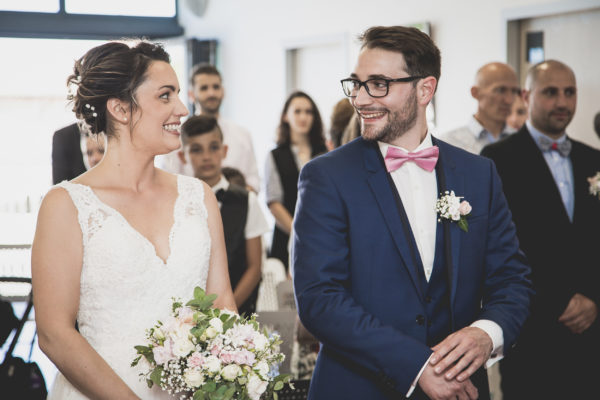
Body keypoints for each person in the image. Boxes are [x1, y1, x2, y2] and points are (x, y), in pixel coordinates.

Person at [292, 26, 532, 400]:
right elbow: (320, 300)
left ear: (425, 89)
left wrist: (487, 333)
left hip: (462, 389)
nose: (361, 98)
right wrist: (417, 365)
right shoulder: (326, 177)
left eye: (379, 84)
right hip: (358, 388)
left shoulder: (478, 173)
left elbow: (512, 280)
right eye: (356, 83)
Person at [31, 41, 236, 400]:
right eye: (165, 96)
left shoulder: (199, 196)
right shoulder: (66, 205)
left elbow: (223, 308)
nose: (182, 109)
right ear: (121, 108)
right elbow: (54, 334)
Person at [481, 60, 600, 400]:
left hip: (591, 333)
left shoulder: (594, 160)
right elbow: (501, 247)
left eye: (569, 92)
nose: (562, 102)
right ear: (527, 95)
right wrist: (555, 301)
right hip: (532, 330)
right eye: (550, 92)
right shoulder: (497, 158)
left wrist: (593, 298)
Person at [179, 115, 269, 316]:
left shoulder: (247, 201)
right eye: (196, 149)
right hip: (189, 314)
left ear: (224, 150)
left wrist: (226, 312)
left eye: (213, 147)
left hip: (237, 311)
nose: (206, 156)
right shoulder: (177, 202)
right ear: (182, 156)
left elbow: (254, 267)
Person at [265, 91, 327, 271]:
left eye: (309, 112)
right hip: (286, 237)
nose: (303, 117)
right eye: (297, 111)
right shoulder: (275, 156)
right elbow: (274, 203)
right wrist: (300, 232)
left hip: (323, 235)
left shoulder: (325, 153)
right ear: (286, 116)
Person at [188, 63, 261, 192]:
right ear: (191, 95)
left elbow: (254, 181)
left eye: (216, 87)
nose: (211, 93)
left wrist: (234, 200)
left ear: (223, 91)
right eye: (204, 88)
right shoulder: (179, 136)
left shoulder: (242, 134)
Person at [440, 62, 520, 154]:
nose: (509, 100)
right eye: (500, 90)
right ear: (475, 93)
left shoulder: (523, 142)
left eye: (514, 91)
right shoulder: (449, 144)